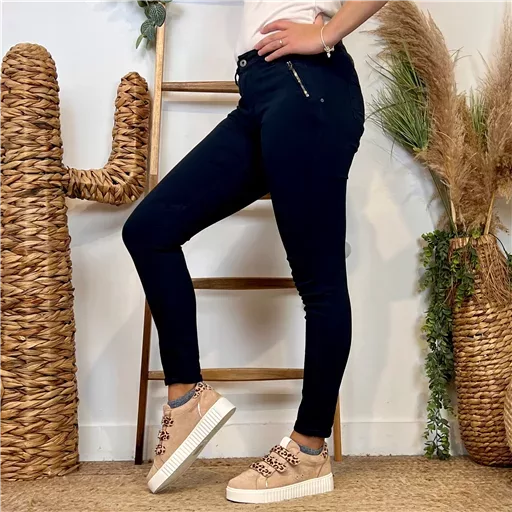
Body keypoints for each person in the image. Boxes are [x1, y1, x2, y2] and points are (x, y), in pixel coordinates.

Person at [123, 0, 388, 503]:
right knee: (149, 230)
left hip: (308, 83)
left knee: (319, 283)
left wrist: (326, 33)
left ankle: (308, 449)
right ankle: (186, 399)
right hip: (260, 89)